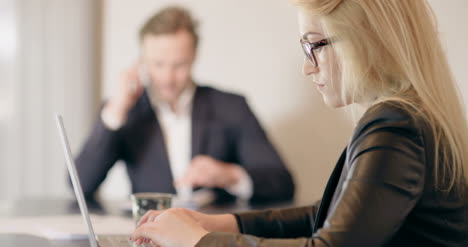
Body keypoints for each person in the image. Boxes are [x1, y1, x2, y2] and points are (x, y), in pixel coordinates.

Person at [129, 0, 468, 246]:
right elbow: (329, 216)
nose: (308, 68)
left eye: (314, 45)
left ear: (365, 39)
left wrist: (199, 242)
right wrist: (218, 223)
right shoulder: (409, 115)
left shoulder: (395, 127)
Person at [74, 6, 295, 203]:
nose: (168, 78)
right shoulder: (124, 110)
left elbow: (282, 183)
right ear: (141, 60)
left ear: (194, 56)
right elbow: (80, 185)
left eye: (179, 65)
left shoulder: (231, 106)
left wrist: (230, 175)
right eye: (158, 64)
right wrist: (115, 112)